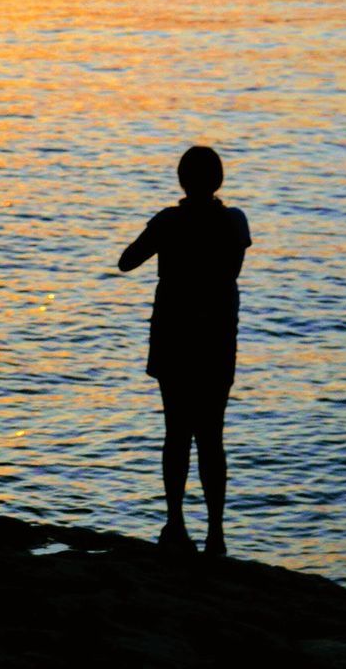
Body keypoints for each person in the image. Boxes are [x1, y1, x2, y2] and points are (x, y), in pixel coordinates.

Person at [118, 146, 251, 557]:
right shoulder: (234, 222)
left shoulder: (169, 222)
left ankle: (175, 524)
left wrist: (165, 237)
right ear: (219, 181)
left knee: (177, 434)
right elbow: (231, 271)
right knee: (212, 436)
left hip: (175, 337)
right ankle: (216, 535)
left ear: (181, 180)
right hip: (216, 338)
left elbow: (126, 262)